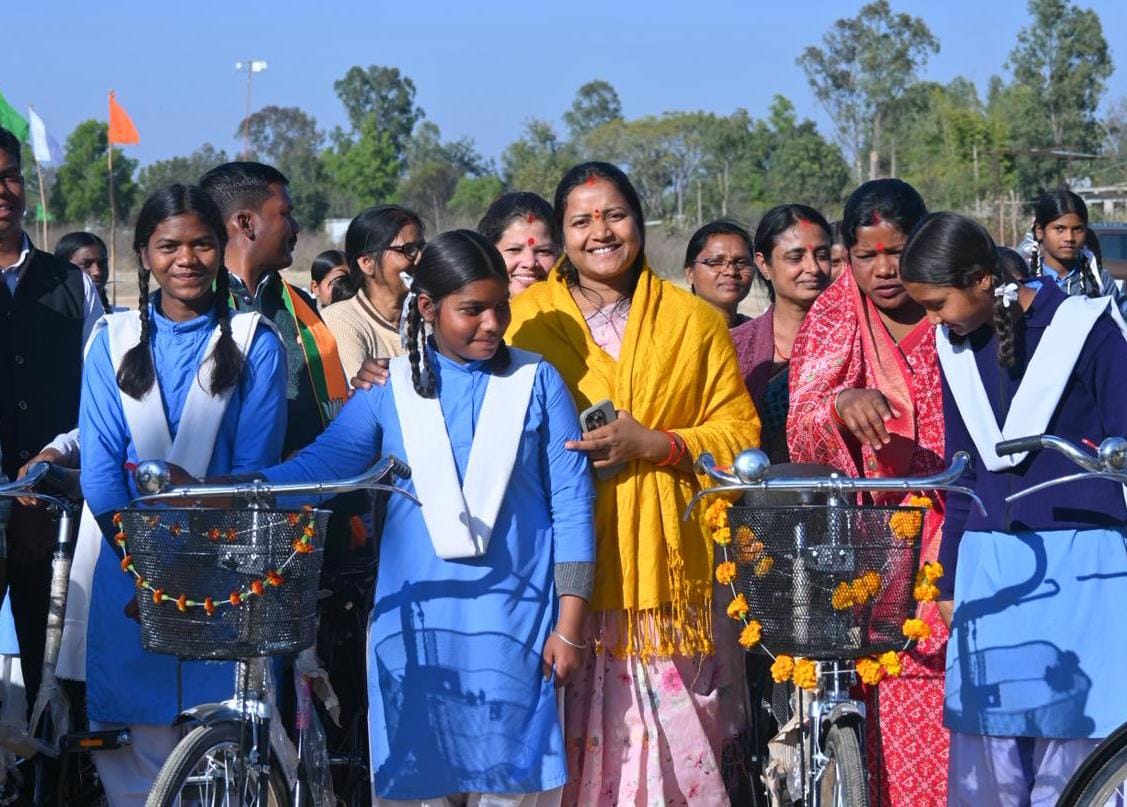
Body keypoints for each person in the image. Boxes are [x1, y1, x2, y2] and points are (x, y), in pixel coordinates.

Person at [247, 229, 595, 805]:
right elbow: (319, 469)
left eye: (500, 306)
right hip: (413, 627)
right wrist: (232, 491)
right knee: (418, 785)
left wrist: (570, 625)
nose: (493, 324)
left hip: (515, 625)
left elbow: (573, 506)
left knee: (510, 785)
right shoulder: (390, 387)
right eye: (472, 310)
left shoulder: (537, 382)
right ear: (428, 308)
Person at [506, 162, 760, 805]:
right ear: (561, 234)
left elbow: (739, 433)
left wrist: (659, 444)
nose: (601, 232)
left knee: (668, 756)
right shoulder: (522, 322)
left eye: (615, 215)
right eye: (581, 221)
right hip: (558, 574)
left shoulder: (693, 322)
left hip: (666, 579)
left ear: (640, 223)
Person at [900, 211, 1127, 805]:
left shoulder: (1088, 327)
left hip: (1085, 562)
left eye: (937, 304)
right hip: (990, 564)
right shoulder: (955, 346)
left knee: (1078, 740)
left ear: (981, 280)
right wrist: (949, 576)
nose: (931, 320)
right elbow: (963, 475)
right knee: (988, 747)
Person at [78, 184, 287, 804]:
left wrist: (188, 576)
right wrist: (148, 573)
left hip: (226, 579)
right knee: (134, 769)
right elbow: (100, 476)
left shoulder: (256, 341)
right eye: (169, 246)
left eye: (202, 244)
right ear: (144, 254)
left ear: (223, 247)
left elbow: (253, 473)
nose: (186, 259)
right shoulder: (110, 340)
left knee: (226, 757)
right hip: (129, 581)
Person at [787, 178, 948, 806]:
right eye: (865, 255)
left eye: (897, 252)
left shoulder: (957, 304)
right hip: (877, 543)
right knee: (899, 692)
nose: (883, 270)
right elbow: (801, 425)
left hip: (963, 521)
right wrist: (838, 404)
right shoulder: (833, 316)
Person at [0, 126, 102, 712]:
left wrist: (44, 474)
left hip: (57, 514)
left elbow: (100, 404)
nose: (3, 191)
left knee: (58, 685)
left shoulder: (73, 285)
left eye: (10, 176)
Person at [199, 161, 348, 458]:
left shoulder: (298, 303)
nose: (296, 227)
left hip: (317, 477)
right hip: (232, 482)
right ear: (246, 223)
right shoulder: (196, 309)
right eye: (285, 213)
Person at [731, 205, 832, 463]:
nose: (813, 268)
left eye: (822, 255)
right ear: (763, 265)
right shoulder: (735, 347)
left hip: (837, 485)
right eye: (796, 257)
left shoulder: (854, 339)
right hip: (756, 483)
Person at [321, 205, 425, 380]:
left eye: (422, 247)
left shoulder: (429, 317)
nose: (420, 258)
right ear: (367, 263)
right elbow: (361, 390)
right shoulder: (340, 320)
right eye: (409, 250)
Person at [1020, 189, 1127, 314]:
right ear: (1039, 231)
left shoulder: (1100, 280)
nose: (1069, 238)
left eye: (1077, 229)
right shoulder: (1024, 280)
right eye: (1059, 229)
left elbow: (1120, 318)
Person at [477, 192, 560, 297]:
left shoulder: (573, 305)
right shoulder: (462, 303)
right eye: (514, 250)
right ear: (487, 253)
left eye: (543, 251)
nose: (530, 263)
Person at [682, 219, 755, 328]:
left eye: (741, 262)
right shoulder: (675, 331)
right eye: (716, 262)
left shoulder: (762, 333)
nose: (731, 271)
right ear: (690, 273)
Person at [55, 231, 110, 311]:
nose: (97, 272)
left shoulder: (119, 316)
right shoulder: (51, 313)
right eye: (86, 264)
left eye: (102, 263)